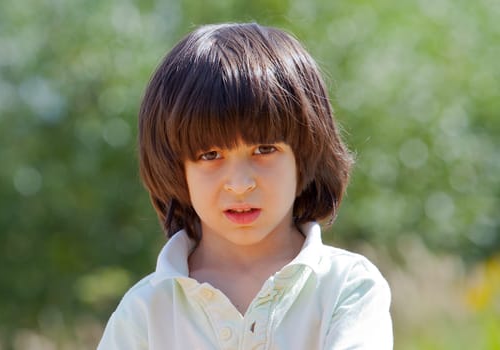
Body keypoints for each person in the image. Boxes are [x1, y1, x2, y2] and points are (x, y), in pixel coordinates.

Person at [97, 23, 393, 349]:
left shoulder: (347, 287)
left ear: (305, 152)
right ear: (176, 168)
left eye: (264, 150)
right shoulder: (144, 312)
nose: (240, 185)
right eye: (210, 155)